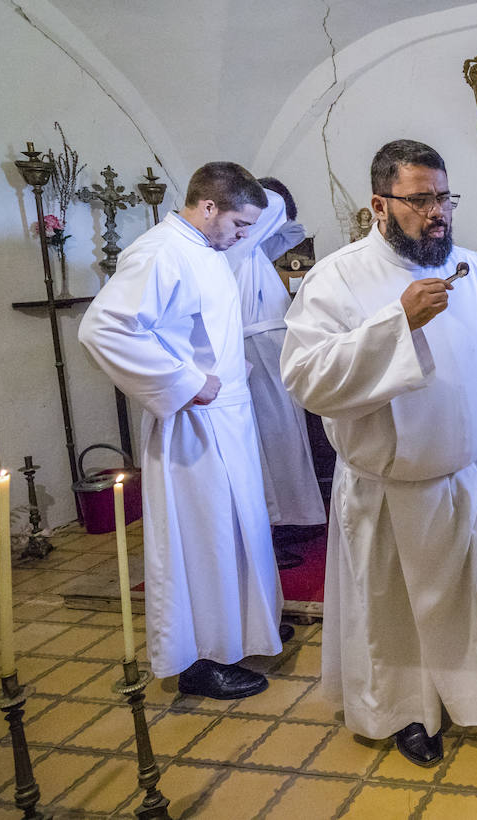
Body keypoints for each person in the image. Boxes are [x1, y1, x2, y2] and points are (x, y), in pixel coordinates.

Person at [279, 139, 477, 772]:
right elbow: (306, 376)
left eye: (444, 198)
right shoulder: (339, 278)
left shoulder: (464, 264)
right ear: (380, 204)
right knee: (397, 616)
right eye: (420, 199)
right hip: (395, 485)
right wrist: (395, 324)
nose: (438, 213)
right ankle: (405, 714)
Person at [79, 161, 291, 701]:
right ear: (209, 207)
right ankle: (201, 659)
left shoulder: (205, 248)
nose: (244, 237)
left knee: (241, 531)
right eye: (240, 225)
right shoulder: (160, 252)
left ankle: (244, 629)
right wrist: (187, 381)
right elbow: (102, 328)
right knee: (206, 540)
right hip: (195, 422)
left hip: (226, 416)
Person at [225, 177, 327, 556]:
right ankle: (272, 525)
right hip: (256, 347)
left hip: (274, 346)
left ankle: (292, 516)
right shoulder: (237, 245)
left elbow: (290, 232)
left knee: (288, 437)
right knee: (271, 441)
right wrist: (263, 195)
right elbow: (271, 204)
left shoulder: (250, 251)